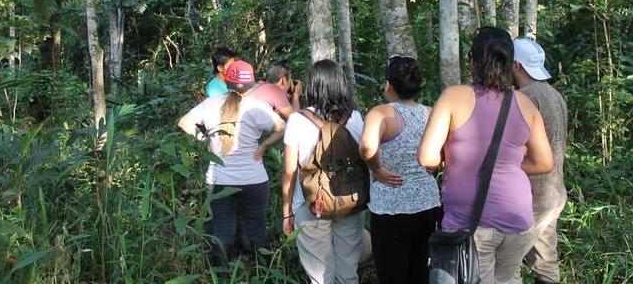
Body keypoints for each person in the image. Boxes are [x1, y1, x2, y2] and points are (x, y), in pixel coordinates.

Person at [418, 27, 554, 284]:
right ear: (510, 64)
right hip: (519, 220)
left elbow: (427, 158)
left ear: (474, 60)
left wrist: (450, 160)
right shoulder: (526, 105)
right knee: (508, 277)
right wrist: (508, 164)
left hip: (472, 221)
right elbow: (544, 162)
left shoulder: (453, 97)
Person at [178, 59, 285, 258]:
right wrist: (263, 146)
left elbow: (184, 122)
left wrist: (204, 138)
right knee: (256, 232)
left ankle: (218, 274)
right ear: (251, 83)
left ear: (227, 81)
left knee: (222, 232)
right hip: (254, 179)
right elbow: (281, 128)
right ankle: (261, 273)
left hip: (220, 179)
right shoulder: (257, 106)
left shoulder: (210, 104)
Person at [281, 59, 366, 284]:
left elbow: (290, 172)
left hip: (312, 205)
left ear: (312, 87)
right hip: (350, 201)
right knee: (348, 272)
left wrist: (287, 212)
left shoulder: (297, 120)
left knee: (321, 277)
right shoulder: (356, 117)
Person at [359, 56, 441, 284]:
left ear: (389, 84)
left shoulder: (381, 113)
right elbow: (442, 153)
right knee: (421, 274)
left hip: (391, 208)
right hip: (428, 204)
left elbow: (366, 146)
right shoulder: (432, 113)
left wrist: (376, 168)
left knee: (392, 274)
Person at [512, 38, 568, 284]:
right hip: (553, 191)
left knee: (506, 262)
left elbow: (515, 146)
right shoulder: (554, 95)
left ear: (516, 66)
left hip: (532, 193)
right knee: (546, 262)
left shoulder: (525, 98)